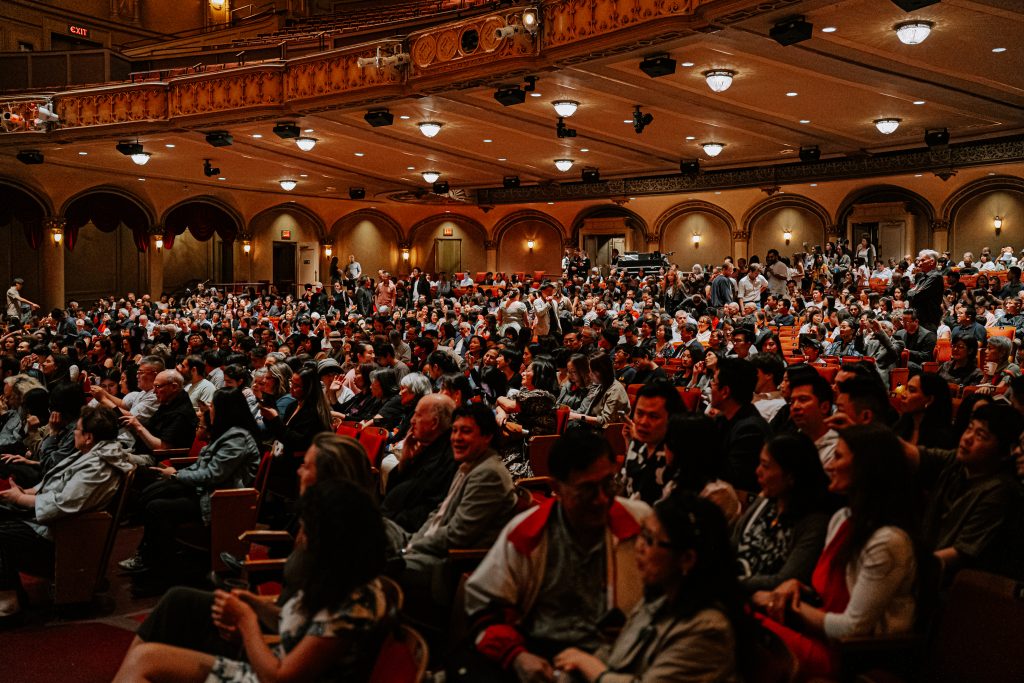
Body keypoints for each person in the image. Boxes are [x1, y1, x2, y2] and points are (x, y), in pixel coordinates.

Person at [113, 479, 391, 683]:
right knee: (152, 646)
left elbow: (280, 677)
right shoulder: (337, 578)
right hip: (270, 660)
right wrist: (254, 604)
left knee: (146, 659)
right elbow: (294, 622)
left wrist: (246, 621)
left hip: (267, 674)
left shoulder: (354, 603)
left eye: (306, 530)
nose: (300, 538)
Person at [463, 427, 651, 682]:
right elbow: (484, 607)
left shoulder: (640, 523)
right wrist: (517, 656)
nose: (601, 499)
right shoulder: (528, 533)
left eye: (608, 484)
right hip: (541, 654)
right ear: (556, 488)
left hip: (620, 656)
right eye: (586, 489)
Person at [756, 425, 918, 680]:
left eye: (839, 457)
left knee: (737, 627)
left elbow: (851, 628)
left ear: (867, 467)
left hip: (848, 655)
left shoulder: (888, 541)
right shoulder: (842, 518)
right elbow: (828, 594)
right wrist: (798, 588)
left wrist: (792, 606)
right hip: (816, 634)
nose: (829, 465)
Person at [553, 492, 747, 683]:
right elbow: (614, 656)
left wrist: (589, 666)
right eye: (642, 534)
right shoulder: (659, 601)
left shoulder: (707, 628)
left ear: (687, 559)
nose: (639, 547)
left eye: (650, 540)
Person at [0, 405, 134, 623]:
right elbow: (53, 485)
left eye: (77, 430)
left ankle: (8, 603)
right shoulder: (92, 454)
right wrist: (26, 493)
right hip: (60, 526)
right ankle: (11, 593)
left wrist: (20, 499)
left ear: (89, 437)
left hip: (65, 539)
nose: (73, 433)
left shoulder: (98, 467)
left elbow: (62, 504)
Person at [122, 388, 262, 595]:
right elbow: (203, 466)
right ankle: (149, 556)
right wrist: (177, 475)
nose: (209, 410)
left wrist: (177, 475)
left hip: (220, 500)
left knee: (156, 507)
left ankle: (161, 572)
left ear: (225, 409)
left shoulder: (237, 438)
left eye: (213, 406)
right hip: (207, 490)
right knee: (153, 492)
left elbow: (212, 475)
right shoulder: (227, 432)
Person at [396, 403, 518, 605]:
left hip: (446, 566)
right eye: (454, 431)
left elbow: (457, 535)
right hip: (427, 545)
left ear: (487, 436)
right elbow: (438, 514)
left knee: (371, 564)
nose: (456, 438)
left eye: (466, 431)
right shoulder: (470, 463)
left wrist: (410, 548)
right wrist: (413, 542)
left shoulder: (489, 474)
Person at [907, 403, 1024, 581]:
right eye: (969, 429)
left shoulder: (1001, 489)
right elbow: (914, 455)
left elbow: (962, 553)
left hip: (952, 582)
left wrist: (909, 567)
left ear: (1004, 452)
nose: (968, 438)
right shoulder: (958, 463)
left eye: (980, 435)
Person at [733, 434, 830, 592]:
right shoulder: (764, 503)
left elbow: (786, 580)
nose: (758, 471)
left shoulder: (814, 523)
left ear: (791, 476)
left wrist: (727, 583)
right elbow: (731, 546)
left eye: (765, 466)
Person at [381, 393, 457, 533]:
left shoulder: (449, 457)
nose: (412, 421)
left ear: (434, 423)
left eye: (418, 415)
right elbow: (392, 489)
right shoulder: (426, 447)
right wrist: (405, 460)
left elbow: (425, 511)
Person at [711, 358, 770, 491]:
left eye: (714, 383)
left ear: (725, 391)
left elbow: (734, 479)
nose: (711, 387)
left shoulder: (750, 429)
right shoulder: (722, 419)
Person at [621, 381, 683, 504]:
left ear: (671, 419)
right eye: (639, 413)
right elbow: (622, 483)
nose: (643, 422)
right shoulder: (637, 442)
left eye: (653, 416)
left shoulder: (675, 454)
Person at [496, 358, 558, 478]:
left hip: (528, 450)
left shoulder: (542, 396)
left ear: (539, 375)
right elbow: (502, 406)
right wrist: (501, 413)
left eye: (528, 371)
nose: (523, 373)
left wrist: (499, 399)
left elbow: (508, 405)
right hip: (515, 440)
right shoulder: (526, 391)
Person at [894, 373, 954, 449]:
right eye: (906, 389)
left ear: (929, 400)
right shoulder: (901, 425)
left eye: (911, 390)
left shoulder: (942, 439)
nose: (903, 394)